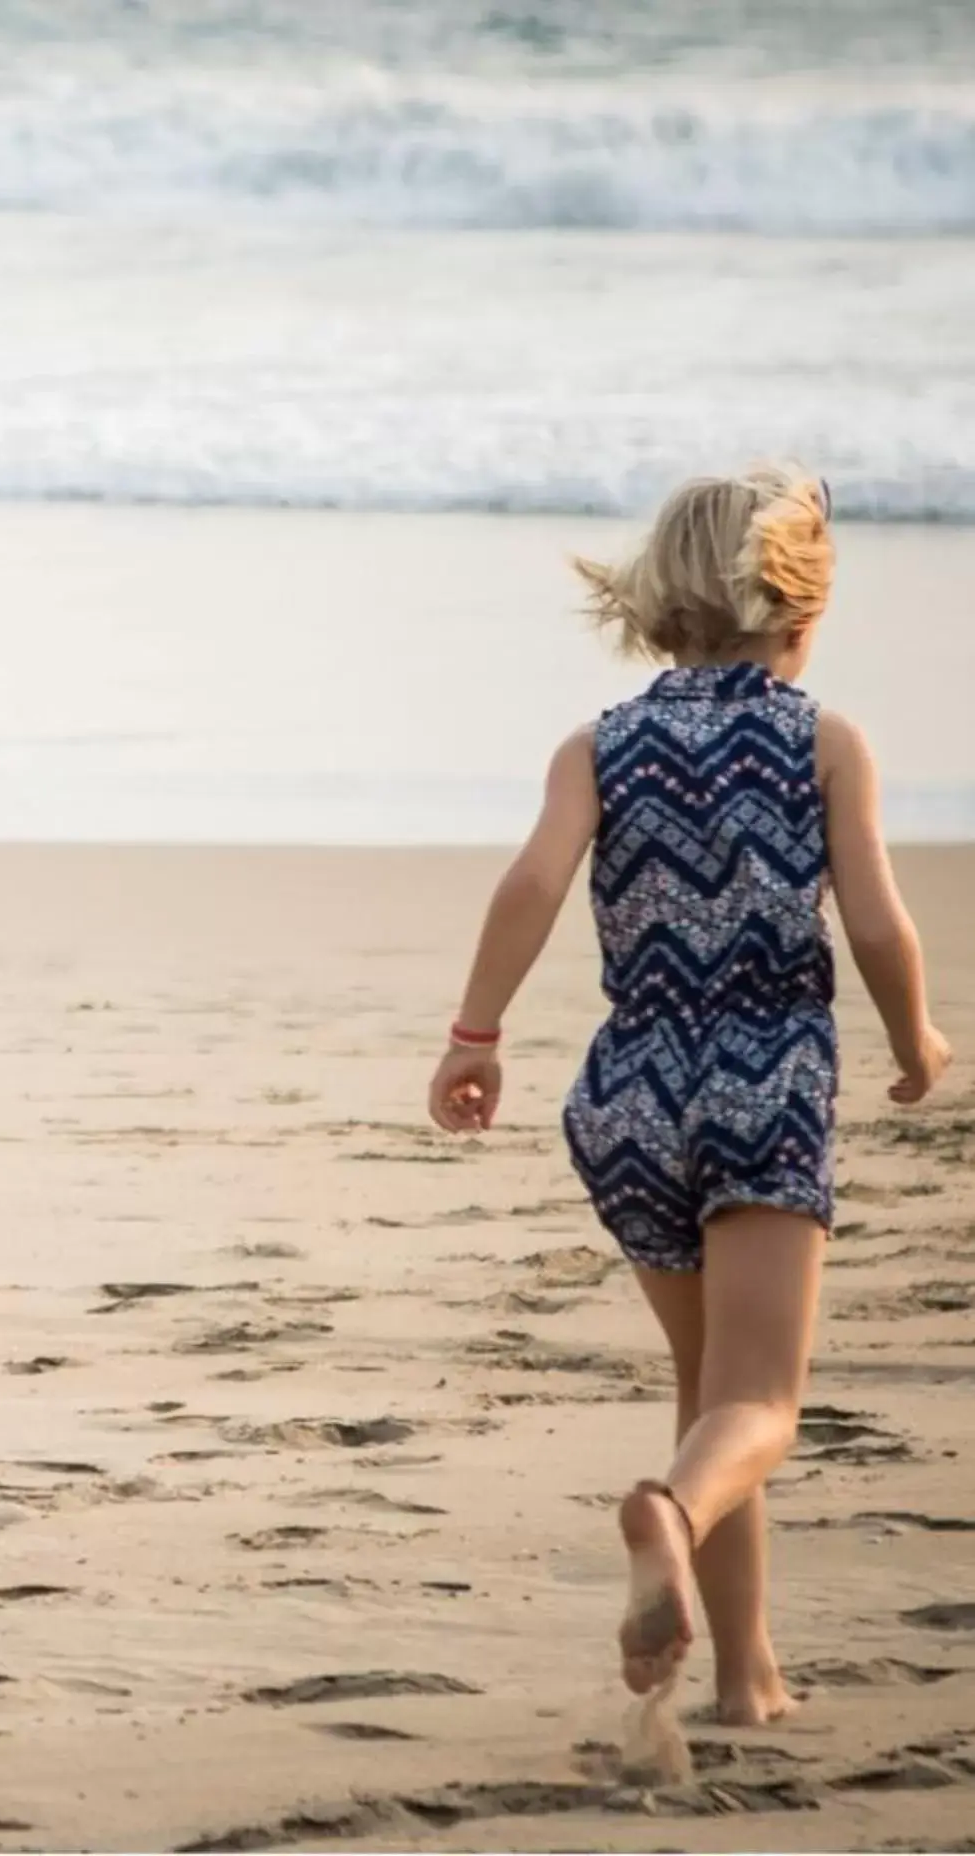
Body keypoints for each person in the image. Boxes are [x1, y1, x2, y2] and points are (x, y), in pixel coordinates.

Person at [428, 466, 950, 1723]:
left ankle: (746, 1677)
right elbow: (875, 921)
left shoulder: (597, 745)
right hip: (763, 1079)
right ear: (804, 611)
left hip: (630, 1090)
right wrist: (916, 1035)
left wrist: (475, 1033)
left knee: (712, 1396)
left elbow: (528, 887)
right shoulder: (826, 740)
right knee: (762, 1404)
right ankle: (662, 1511)